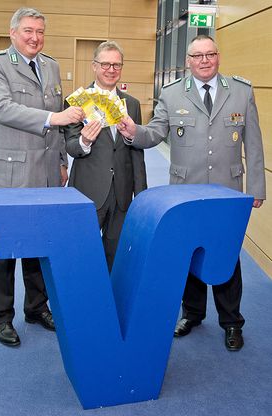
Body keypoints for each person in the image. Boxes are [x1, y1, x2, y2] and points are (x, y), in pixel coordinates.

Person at [117, 35, 266, 351]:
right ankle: (193, 314)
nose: (204, 60)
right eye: (197, 55)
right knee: (190, 253)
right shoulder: (171, 95)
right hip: (186, 192)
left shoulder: (241, 91)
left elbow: (254, 144)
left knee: (226, 256)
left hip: (227, 193)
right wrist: (134, 132)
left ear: (218, 57)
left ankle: (231, 323)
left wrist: (255, 188)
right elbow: (155, 132)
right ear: (188, 60)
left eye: (210, 54)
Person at [0, 7, 85, 347]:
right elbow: (3, 109)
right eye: (28, 31)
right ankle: (2, 317)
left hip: (45, 174)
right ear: (13, 33)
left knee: (40, 245)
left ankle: (36, 307)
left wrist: (61, 160)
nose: (35, 37)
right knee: (3, 249)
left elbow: (54, 126)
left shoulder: (51, 66)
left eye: (40, 31)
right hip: (7, 175)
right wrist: (55, 117)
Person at [64, 41, 147, 272]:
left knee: (116, 253)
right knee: (83, 252)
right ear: (94, 66)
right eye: (106, 64)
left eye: (117, 65)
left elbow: (136, 152)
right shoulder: (78, 102)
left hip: (121, 191)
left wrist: (140, 194)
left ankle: (111, 303)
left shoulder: (132, 104)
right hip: (87, 190)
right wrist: (85, 141)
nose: (111, 70)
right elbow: (71, 146)